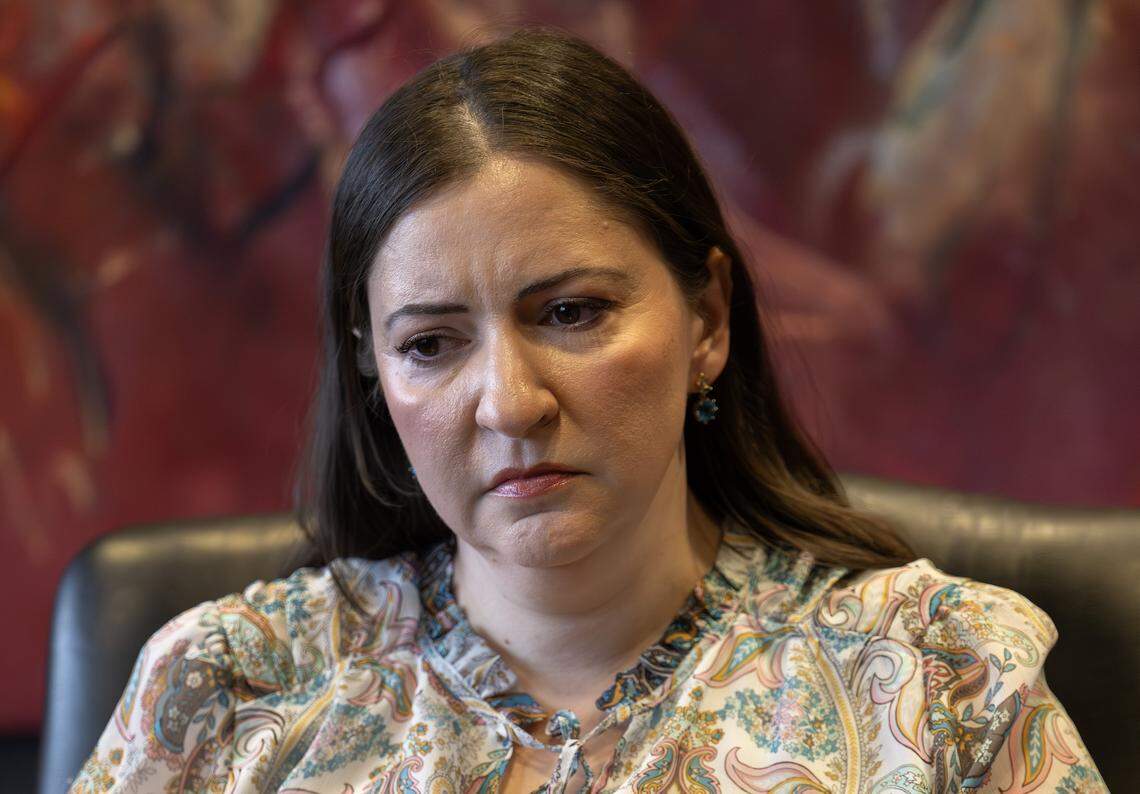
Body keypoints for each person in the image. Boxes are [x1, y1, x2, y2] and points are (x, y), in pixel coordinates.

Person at [69, 29, 1106, 794]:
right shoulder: (227, 690)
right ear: (376, 378)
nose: (511, 402)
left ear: (705, 318)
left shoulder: (942, 683)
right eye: (430, 344)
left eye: (570, 312)